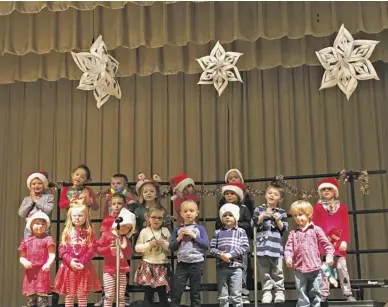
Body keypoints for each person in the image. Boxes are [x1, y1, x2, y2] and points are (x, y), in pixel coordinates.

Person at [312, 178, 356, 301]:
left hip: (339, 242)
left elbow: (345, 225)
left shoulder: (342, 207)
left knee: (342, 267)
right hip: (324, 244)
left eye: (329, 188)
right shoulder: (318, 207)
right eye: (323, 189)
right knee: (325, 268)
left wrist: (344, 240)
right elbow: (314, 225)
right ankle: (323, 294)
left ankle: (347, 293)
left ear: (335, 191)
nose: (326, 191)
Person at [284, 200, 335, 307]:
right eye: (295, 216)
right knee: (301, 294)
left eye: (300, 215)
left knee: (315, 293)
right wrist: (288, 258)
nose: (298, 218)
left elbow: (327, 245)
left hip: (315, 268)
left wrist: (329, 256)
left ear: (308, 214)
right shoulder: (293, 233)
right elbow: (288, 248)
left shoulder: (316, 230)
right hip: (300, 269)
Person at [53, 201, 101, 307]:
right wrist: (70, 260)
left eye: (80, 215)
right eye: (74, 215)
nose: (77, 218)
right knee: (69, 294)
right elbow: (61, 249)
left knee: (82, 294)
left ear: (86, 216)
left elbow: (92, 248)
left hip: (84, 267)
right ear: (70, 217)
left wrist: (83, 261)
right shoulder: (67, 231)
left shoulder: (89, 231)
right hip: (69, 268)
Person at [251, 183, 288, 303]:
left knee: (277, 271)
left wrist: (278, 220)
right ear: (265, 195)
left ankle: (279, 292)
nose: (272, 195)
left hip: (275, 247)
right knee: (264, 272)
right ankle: (266, 292)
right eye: (270, 193)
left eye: (275, 194)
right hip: (261, 247)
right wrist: (262, 216)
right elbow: (253, 224)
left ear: (280, 199)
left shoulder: (281, 212)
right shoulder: (258, 209)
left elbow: (284, 229)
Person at [215, 182, 252, 303]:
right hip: (225, 244)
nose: (229, 196)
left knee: (243, 268)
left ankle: (242, 291)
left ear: (238, 195)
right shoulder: (222, 209)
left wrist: (237, 224)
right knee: (224, 270)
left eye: (232, 193)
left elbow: (248, 224)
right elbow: (218, 224)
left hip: (239, 242)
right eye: (226, 194)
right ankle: (227, 294)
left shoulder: (244, 209)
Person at [170, 199, 209, 307]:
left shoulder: (200, 228)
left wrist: (194, 236)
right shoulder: (178, 229)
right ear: (181, 214)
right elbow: (172, 247)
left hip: (196, 264)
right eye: (185, 211)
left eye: (191, 211)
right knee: (176, 291)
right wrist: (179, 238)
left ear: (196, 213)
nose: (188, 213)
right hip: (182, 264)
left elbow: (206, 245)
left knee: (195, 292)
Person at [210, 203, 250, 307]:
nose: (227, 217)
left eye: (230, 215)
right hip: (221, 267)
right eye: (225, 215)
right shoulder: (217, 232)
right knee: (223, 296)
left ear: (236, 217)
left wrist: (230, 255)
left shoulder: (241, 232)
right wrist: (221, 254)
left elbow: (246, 247)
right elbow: (212, 248)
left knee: (236, 295)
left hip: (236, 268)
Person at [97, 208, 137, 307]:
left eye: (128, 228)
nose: (124, 229)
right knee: (109, 295)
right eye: (123, 226)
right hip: (109, 270)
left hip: (122, 270)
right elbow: (98, 249)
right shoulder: (106, 235)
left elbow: (128, 256)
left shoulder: (125, 239)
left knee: (121, 295)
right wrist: (109, 249)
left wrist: (124, 247)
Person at [134, 206, 171, 307]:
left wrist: (165, 244)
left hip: (161, 265)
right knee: (148, 293)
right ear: (148, 218)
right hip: (148, 264)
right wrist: (148, 245)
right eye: (154, 217)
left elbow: (171, 247)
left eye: (160, 218)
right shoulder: (144, 231)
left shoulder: (166, 231)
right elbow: (137, 248)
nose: (157, 220)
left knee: (162, 293)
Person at [18, 211, 56, 307]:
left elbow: (52, 254)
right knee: (31, 299)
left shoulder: (48, 239)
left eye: (43, 224)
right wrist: (24, 261)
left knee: (42, 299)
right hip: (30, 273)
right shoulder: (26, 240)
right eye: (37, 223)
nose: (40, 226)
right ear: (31, 225)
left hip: (42, 272)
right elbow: (22, 257)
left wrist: (48, 264)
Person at [18, 171, 54, 238]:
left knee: (43, 247)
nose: (36, 186)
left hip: (44, 228)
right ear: (30, 186)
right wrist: (31, 201)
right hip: (29, 229)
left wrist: (36, 201)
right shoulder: (27, 199)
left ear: (44, 185)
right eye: (34, 184)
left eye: (39, 183)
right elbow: (21, 213)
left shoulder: (48, 197)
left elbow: (49, 210)